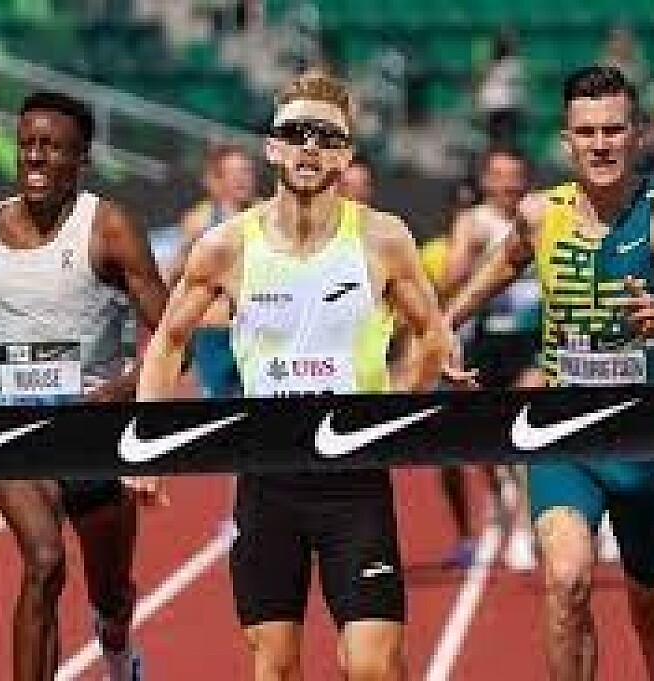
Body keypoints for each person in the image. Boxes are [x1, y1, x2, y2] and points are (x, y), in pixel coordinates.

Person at [445, 66, 654, 680]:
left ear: (637, 133)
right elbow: (498, 268)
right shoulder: (541, 215)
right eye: (587, 132)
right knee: (565, 581)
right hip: (564, 436)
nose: (600, 145)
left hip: (649, 444)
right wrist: (443, 326)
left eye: (613, 130)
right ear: (566, 140)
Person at [137, 68, 448, 681]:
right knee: (275, 667)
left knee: (373, 666)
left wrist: (398, 407)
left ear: (346, 155)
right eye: (295, 133)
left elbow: (434, 334)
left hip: (354, 480)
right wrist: (148, 448)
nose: (309, 147)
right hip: (268, 480)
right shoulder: (227, 245)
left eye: (326, 137)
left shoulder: (382, 239)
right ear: (272, 148)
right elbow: (168, 341)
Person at [0, 91, 170, 681]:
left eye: (52, 147)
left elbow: (170, 332)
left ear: (82, 158)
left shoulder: (109, 227)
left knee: (111, 592)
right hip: (12, 424)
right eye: (27, 144)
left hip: (94, 429)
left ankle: (117, 648)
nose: (36, 158)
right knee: (44, 561)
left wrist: (126, 388)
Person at [441, 147, 539, 571]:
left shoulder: (538, 217)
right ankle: (500, 491)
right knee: (485, 437)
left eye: (514, 175)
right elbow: (449, 280)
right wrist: (476, 255)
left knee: (526, 429)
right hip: (484, 343)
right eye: (498, 176)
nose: (507, 184)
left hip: (531, 340)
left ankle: (523, 530)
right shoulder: (473, 222)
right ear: (485, 182)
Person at [168, 142, 256, 398]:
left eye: (247, 171)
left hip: (256, 329)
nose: (243, 179)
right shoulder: (200, 222)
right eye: (235, 173)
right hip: (214, 332)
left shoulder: (267, 216)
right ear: (217, 180)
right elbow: (176, 274)